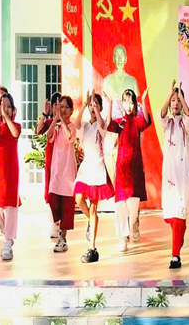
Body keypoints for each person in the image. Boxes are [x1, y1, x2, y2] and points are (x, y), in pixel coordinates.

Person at [109, 86, 153, 253]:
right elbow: (108, 125)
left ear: (135, 104)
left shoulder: (136, 121)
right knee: (120, 205)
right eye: (126, 102)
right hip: (121, 170)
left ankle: (134, 223)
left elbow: (146, 122)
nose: (129, 105)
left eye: (131, 102)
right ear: (122, 103)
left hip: (134, 170)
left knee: (133, 208)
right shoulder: (120, 122)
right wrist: (110, 104)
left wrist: (144, 102)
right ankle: (122, 238)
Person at [75, 92, 114, 264]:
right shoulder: (84, 125)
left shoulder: (101, 125)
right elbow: (76, 124)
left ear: (100, 107)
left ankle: (92, 247)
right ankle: (92, 221)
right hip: (86, 168)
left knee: (93, 207)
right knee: (78, 199)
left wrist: (97, 108)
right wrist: (84, 104)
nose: (93, 107)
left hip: (97, 168)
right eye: (91, 105)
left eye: (96, 104)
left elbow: (102, 124)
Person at [161, 81, 189, 269]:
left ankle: (175, 255)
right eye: (173, 100)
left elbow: (188, 114)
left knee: (179, 212)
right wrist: (169, 95)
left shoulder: (184, 123)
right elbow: (162, 113)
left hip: (181, 174)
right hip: (168, 174)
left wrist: (181, 96)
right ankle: (179, 235)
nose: (175, 103)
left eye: (178, 100)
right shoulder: (167, 122)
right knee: (171, 215)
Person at [0, 89, 21, 261]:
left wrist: (6, 117)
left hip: (11, 171)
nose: (5, 109)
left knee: (11, 207)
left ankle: (8, 242)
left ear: (13, 109)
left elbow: (15, 133)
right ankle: (7, 234)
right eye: (2, 106)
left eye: (8, 106)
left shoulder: (15, 126)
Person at [47, 95, 78, 254]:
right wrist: (55, 119)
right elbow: (48, 136)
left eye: (66, 107)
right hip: (56, 172)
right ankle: (59, 229)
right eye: (62, 107)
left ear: (71, 110)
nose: (63, 110)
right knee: (52, 199)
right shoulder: (57, 127)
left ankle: (63, 238)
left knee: (66, 205)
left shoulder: (72, 127)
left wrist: (62, 122)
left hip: (68, 173)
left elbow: (69, 137)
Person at [36, 93, 62, 240]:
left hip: (62, 163)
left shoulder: (65, 123)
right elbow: (38, 131)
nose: (57, 107)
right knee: (50, 192)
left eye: (60, 104)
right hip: (51, 161)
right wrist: (45, 114)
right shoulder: (49, 122)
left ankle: (61, 223)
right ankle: (53, 223)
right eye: (55, 104)